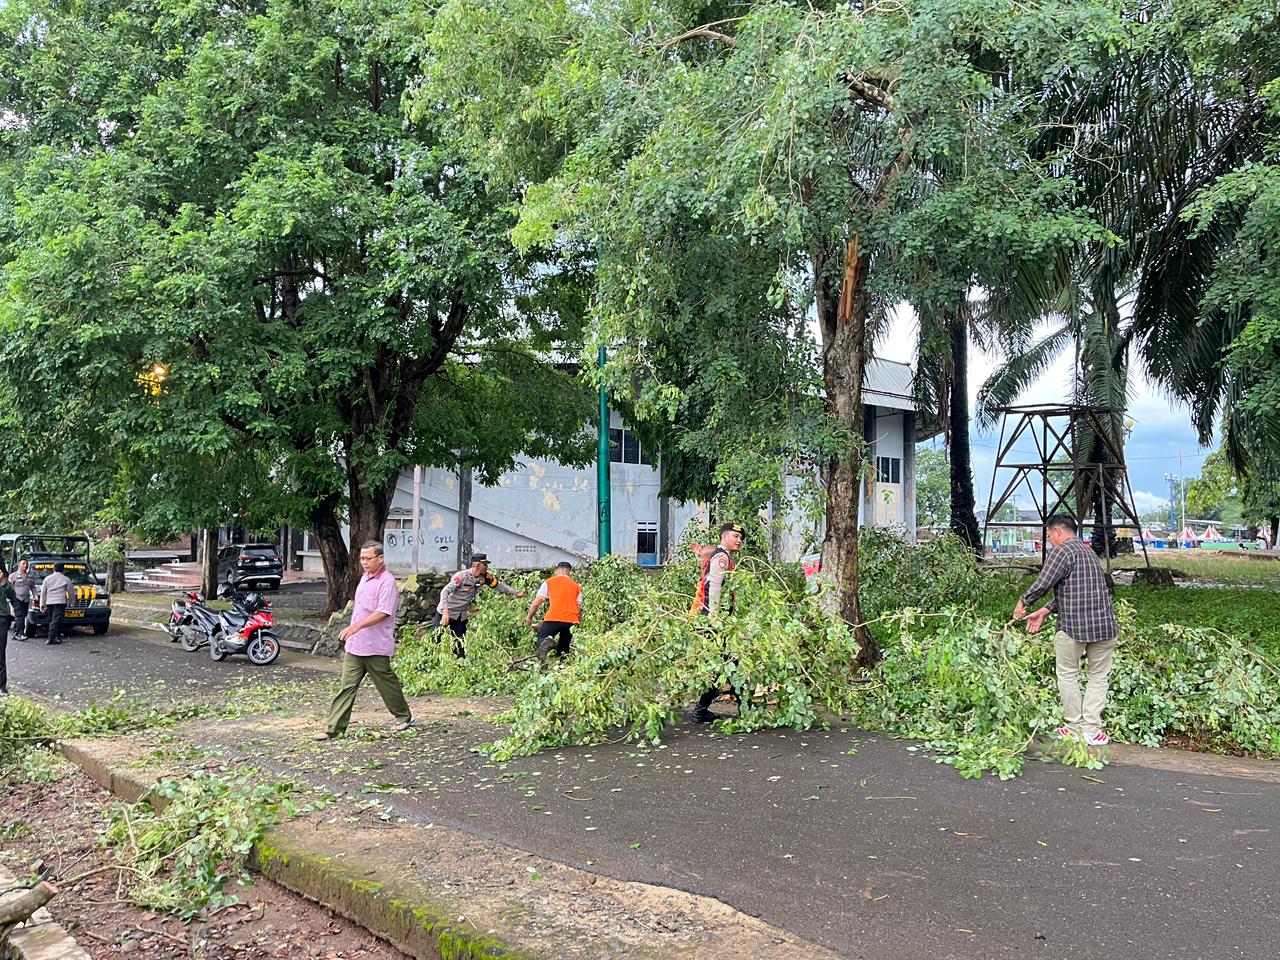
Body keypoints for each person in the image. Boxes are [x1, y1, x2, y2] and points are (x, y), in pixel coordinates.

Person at [1013, 514, 1119, 747]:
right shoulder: (1088, 552)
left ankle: (1073, 726)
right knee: (1098, 677)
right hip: (1105, 626)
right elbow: (1075, 590)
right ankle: (1092, 730)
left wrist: (1023, 602)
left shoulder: (1062, 551)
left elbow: (1045, 581)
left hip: (1074, 628)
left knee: (1068, 673)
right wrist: (1045, 610)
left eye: (1049, 535)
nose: (1050, 540)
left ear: (1058, 531)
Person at [315, 541, 413, 741]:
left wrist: (356, 626)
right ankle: (334, 729)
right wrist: (354, 629)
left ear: (381, 558)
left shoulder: (387, 582)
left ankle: (403, 716)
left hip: (375, 645)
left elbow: (383, 612)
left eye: (368, 558)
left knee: (386, 683)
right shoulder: (365, 579)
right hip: (355, 645)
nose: (364, 563)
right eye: (362, 559)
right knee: (346, 687)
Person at [690, 522, 745, 724]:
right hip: (713, 622)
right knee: (729, 665)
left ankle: (702, 709)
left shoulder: (723, 556)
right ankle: (744, 709)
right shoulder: (722, 557)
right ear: (724, 537)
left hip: (718, 621)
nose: (739, 540)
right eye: (735, 536)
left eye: (740, 538)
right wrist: (714, 617)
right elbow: (714, 587)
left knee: (725, 665)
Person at [434, 553, 524, 656]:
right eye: (484, 564)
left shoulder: (485, 577)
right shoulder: (461, 577)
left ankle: (460, 665)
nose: (487, 567)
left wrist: (517, 593)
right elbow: (445, 591)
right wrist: (445, 612)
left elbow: (499, 586)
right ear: (477, 565)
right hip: (446, 612)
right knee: (436, 638)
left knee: (460, 643)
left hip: (460, 615)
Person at [526, 562, 583, 665]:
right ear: (569, 572)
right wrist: (579, 623)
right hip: (571, 621)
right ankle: (562, 670)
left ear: (556, 570)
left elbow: (536, 603)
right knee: (563, 651)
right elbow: (579, 609)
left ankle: (547, 645)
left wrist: (529, 617)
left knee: (541, 641)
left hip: (554, 618)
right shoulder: (576, 587)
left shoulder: (549, 582)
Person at [39, 562, 72, 646]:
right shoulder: (66, 579)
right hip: (60, 602)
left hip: (49, 602)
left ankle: (57, 637)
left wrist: (42, 604)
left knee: (52, 620)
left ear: (53, 569)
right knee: (56, 620)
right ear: (63, 569)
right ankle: (51, 638)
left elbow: (43, 592)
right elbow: (71, 592)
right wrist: (71, 602)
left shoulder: (47, 578)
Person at [10, 559, 34, 642]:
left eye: (26, 563)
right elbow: (9, 587)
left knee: (23, 615)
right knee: (20, 616)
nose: (25, 565)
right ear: (18, 565)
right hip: (16, 598)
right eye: (23, 563)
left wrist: (35, 596)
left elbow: (33, 587)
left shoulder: (30, 576)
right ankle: (21, 634)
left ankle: (15, 633)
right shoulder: (13, 576)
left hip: (26, 599)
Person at [0, 570, 14, 694]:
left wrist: (3, 582)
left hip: (2, 619)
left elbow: (12, 595)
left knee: (0, 653)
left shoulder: (4, 583)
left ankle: (1, 687)